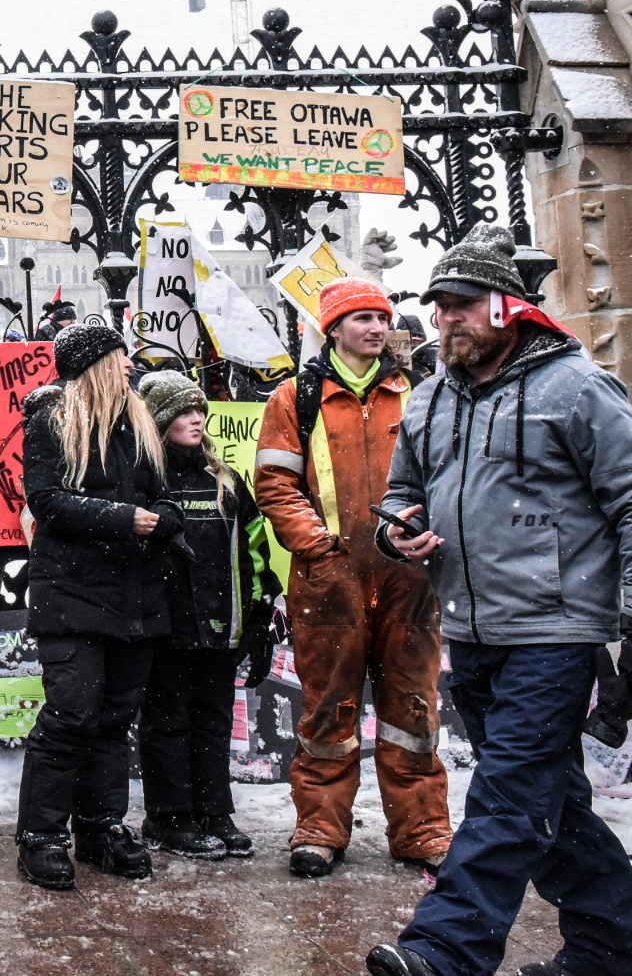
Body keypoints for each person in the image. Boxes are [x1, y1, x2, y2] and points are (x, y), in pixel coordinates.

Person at [365, 225, 632, 976]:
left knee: (507, 799)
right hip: (471, 632)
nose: (447, 318)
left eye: (463, 303)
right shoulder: (429, 399)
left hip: (555, 634)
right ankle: (610, 957)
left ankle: (445, 950)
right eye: (439, 305)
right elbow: (401, 494)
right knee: (551, 805)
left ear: (509, 306)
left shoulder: (576, 387)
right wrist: (395, 530)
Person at [254, 276, 452, 879]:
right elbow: (275, 484)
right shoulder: (295, 398)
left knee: (412, 709)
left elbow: (448, 476)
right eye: (363, 318)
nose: (377, 328)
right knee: (327, 710)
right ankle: (319, 829)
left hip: (408, 578)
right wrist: (318, 549)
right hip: (328, 581)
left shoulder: (419, 393)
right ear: (333, 328)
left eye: (383, 318)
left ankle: (422, 830)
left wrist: (426, 538)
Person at [15, 323, 179, 890]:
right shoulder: (51, 422)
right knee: (70, 716)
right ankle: (41, 837)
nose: (130, 365)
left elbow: (164, 498)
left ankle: (99, 827)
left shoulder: (141, 425)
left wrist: (165, 520)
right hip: (73, 596)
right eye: (119, 356)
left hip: (135, 597)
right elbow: (47, 501)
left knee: (113, 721)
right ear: (95, 365)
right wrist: (124, 519)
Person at [134, 371, 281, 863]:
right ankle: (168, 818)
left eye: (200, 410)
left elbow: (254, 553)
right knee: (167, 725)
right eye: (183, 412)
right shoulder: (145, 481)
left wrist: (257, 619)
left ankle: (215, 814)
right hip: (165, 630)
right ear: (160, 421)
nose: (196, 419)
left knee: (214, 724)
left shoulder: (225, 480)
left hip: (220, 628)